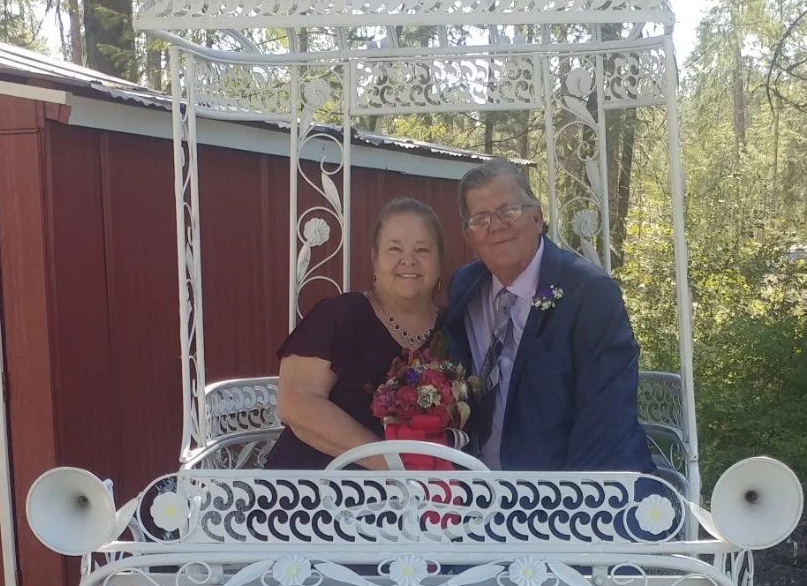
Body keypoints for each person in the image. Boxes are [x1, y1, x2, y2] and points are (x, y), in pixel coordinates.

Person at [442, 160, 655, 473]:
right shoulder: (464, 287)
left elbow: (605, 422)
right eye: (481, 218)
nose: (496, 225)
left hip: (579, 493)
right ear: (468, 235)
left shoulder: (590, 294)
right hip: (480, 489)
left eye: (508, 210)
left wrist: (563, 508)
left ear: (537, 216)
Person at [267, 198, 447, 470]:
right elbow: (296, 403)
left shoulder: (455, 329)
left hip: (424, 501)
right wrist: (395, 466)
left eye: (422, 250)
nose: (408, 261)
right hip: (313, 493)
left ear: (439, 261)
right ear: (374, 258)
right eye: (394, 249)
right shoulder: (339, 316)